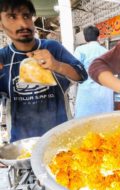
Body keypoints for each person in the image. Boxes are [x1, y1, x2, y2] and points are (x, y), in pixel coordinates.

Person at [0, 0, 88, 142]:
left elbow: (82, 75)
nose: (22, 24)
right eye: (12, 17)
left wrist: (57, 65)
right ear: (1, 24)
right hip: (22, 144)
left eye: (26, 16)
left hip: (62, 137)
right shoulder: (3, 57)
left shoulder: (53, 47)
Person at [73, 26, 114, 117]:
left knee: (85, 121)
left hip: (87, 92)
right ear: (98, 37)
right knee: (104, 121)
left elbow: (74, 69)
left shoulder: (80, 50)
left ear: (85, 38)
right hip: (104, 92)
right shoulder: (106, 52)